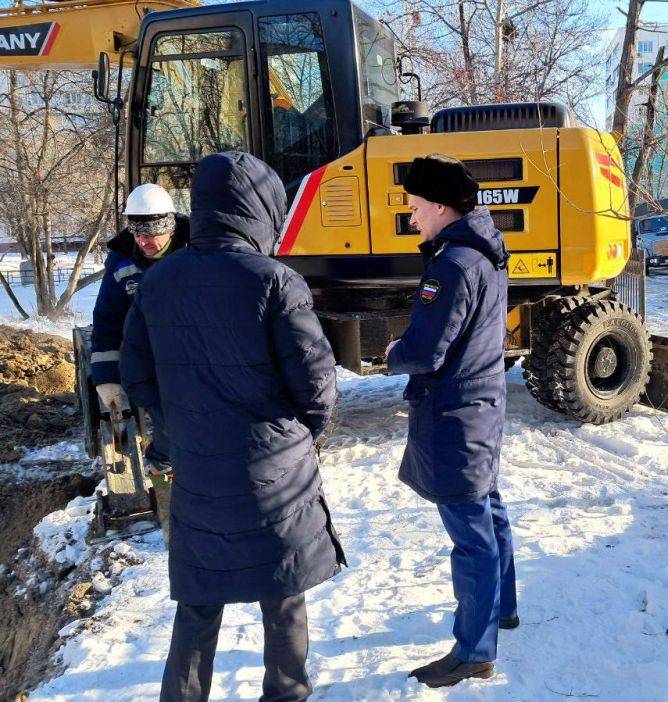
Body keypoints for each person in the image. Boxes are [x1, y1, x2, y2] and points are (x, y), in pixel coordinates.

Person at [120, 151, 346, 702]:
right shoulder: (276, 280)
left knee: (199, 596)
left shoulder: (159, 281)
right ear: (260, 207)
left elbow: (136, 371)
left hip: (199, 468)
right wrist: (307, 432)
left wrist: (174, 427)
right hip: (277, 471)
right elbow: (317, 381)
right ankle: (286, 693)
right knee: (284, 590)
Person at [385, 154, 517, 689]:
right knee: (488, 511)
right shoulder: (481, 252)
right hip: (479, 407)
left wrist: (395, 350)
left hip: (457, 414)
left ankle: (475, 650)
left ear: (440, 206)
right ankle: (500, 609)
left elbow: (426, 350)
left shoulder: (454, 265)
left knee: (471, 534)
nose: (412, 217)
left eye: (416, 207)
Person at [91, 183, 189, 540]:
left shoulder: (198, 250)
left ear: (172, 224)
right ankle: (168, 499)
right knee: (165, 432)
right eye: (139, 231)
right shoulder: (121, 266)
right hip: (153, 366)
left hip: (198, 357)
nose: (148, 240)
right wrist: (107, 379)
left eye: (156, 230)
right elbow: (106, 324)